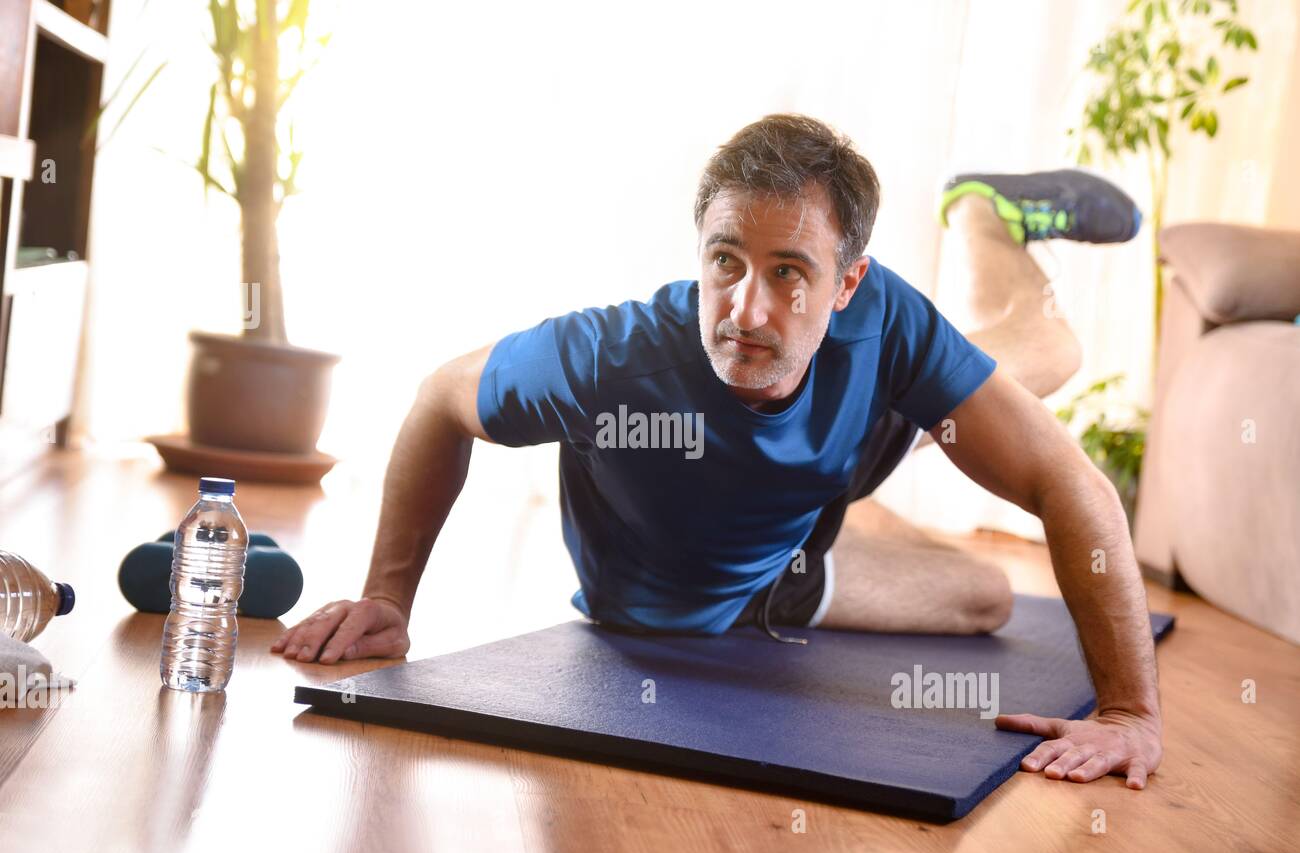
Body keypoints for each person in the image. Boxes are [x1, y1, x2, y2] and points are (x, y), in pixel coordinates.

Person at [274, 114, 1162, 789]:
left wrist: (1128, 712)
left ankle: (981, 219)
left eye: (789, 273)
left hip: (850, 435)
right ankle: (819, 516)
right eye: (726, 261)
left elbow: (1065, 481)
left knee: (1050, 351)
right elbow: (440, 399)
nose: (745, 310)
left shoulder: (884, 322)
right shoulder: (608, 361)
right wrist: (390, 596)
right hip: (759, 568)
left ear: (847, 283)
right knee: (984, 595)